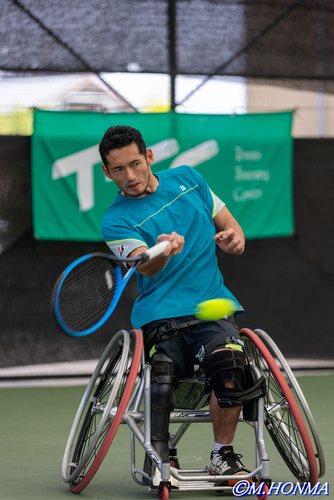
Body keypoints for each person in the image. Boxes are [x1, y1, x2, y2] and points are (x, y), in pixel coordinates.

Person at [99, 125, 251, 486]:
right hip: (159, 317)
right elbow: (143, 263)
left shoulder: (189, 178)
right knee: (163, 373)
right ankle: (161, 454)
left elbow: (230, 225)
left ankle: (222, 456)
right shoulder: (115, 220)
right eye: (118, 170)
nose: (130, 176)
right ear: (107, 173)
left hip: (210, 308)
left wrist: (234, 238)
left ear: (149, 156)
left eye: (135, 163)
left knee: (229, 363)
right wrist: (163, 250)